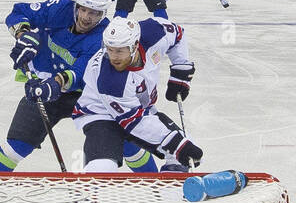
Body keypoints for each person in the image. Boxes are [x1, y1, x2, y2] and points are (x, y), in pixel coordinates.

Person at [0, 0, 111, 172]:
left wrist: (57, 83)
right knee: (14, 149)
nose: (85, 17)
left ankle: (156, 188)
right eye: (82, 9)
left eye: (94, 13)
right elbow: (19, 12)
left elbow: (80, 71)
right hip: (41, 86)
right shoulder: (59, 8)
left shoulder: (103, 36)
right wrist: (23, 34)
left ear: (103, 15)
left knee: (115, 147)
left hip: (85, 96)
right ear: (76, 6)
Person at [71, 15, 203, 176]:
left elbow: (178, 35)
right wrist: (176, 144)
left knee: (183, 155)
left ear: (134, 45)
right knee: (103, 167)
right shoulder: (111, 79)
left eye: (119, 51)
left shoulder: (154, 32)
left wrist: (181, 69)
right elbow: (134, 122)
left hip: (140, 109)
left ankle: (169, 198)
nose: (113, 57)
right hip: (100, 114)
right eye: (109, 49)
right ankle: (87, 200)